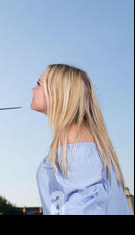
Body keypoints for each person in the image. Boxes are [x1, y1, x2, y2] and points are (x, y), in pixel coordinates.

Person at [31, 64, 132, 215]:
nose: (33, 89)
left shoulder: (77, 140)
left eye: (39, 84)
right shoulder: (71, 139)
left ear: (58, 92)